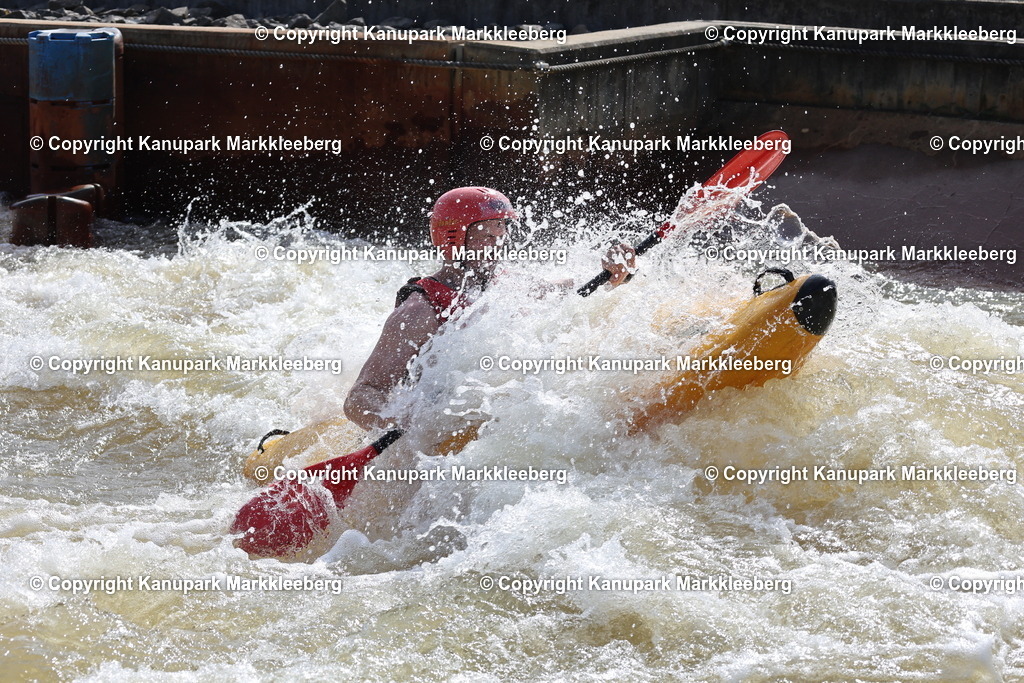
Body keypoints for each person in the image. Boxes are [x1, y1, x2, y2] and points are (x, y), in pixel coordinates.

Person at [343, 186, 636, 433]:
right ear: (454, 237)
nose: (497, 246)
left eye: (500, 236)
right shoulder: (419, 311)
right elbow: (360, 397)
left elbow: (569, 289)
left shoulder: (505, 284)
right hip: (434, 440)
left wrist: (611, 271)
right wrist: (410, 426)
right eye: (487, 237)